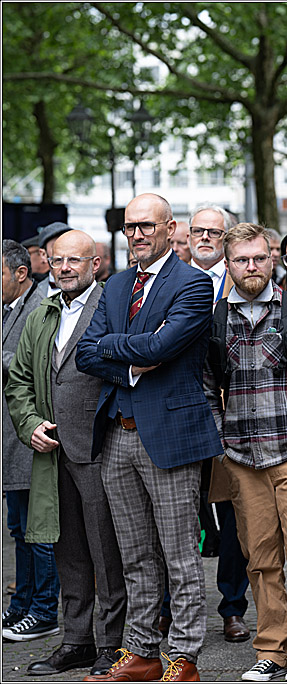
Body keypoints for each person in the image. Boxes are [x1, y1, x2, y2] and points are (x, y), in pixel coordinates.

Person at [77, 192, 223, 682]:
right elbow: (86, 354)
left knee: (180, 555)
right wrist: (136, 364)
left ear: (168, 227)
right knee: (135, 555)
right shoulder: (115, 285)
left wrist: (121, 349)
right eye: (129, 227)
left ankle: (183, 658)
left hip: (171, 437)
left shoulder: (194, 284)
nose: (136, 234)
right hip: (117, 435)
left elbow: (164, 344)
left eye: (145, 225)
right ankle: (140, 653)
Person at [203, 222, 287, 682]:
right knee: (260, 560)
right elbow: (206, 387)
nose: (251, 267)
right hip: (242, 458)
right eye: (241, 260)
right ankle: (272, 648)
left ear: (271, 258)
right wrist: (222, 439)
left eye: (259, 258)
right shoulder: (215, 318)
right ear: (229, 263)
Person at [5, 231, 127, 676]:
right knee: (68, 552)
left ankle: (114, 645)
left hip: (101, 450)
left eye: (75, 260)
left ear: (95, 264)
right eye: (57, 261)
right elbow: (18, 379)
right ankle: (76, 640)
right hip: (52, 453)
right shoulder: (43, 313)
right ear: (47, 265)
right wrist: (30, 423)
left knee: (107, 553)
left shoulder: (113, 309)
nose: (65, 268)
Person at [182, 203, 252, 645]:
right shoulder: (171, 282)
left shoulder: (243, 285)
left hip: (229, 419)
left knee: (233, 519)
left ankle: (232, 607)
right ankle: (179, 608)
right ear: (186, 236)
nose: (205, 237)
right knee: (180, 519)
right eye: (198, 230)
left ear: (226, 240)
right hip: (180, 418)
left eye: (214, 231)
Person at [2, 239, 59, 644]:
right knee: (20, 529)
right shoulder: (13, 308)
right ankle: (22, 605)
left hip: (30, 438)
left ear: (21, 274)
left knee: (38, 532)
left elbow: (27, 360)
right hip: (14, 439)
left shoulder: (38, 305)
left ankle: (43, 610)